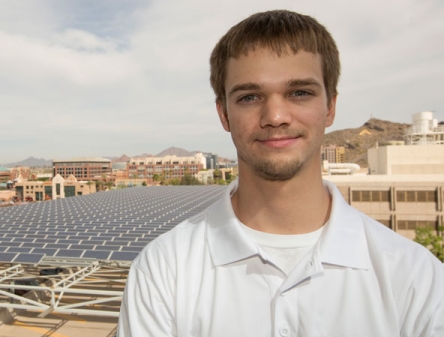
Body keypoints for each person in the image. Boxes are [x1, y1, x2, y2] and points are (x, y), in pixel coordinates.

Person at [117, 10, 444, 337]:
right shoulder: (163, 270)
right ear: (224, 114)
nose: (275, 116)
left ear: (330, 106)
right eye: (249, 97)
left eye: (299, 92)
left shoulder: (415, 276)